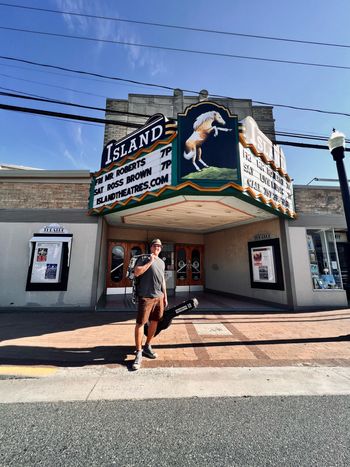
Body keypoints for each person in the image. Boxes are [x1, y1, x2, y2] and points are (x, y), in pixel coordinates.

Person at [132, 238, 168, 370]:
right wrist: (150, 262)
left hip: (159, 297)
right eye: (155, 245)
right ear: (151, 247)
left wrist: (165, 295)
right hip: (146, 296)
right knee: (140, 323)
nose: (157, 247)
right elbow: (136, 272)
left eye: (159, 246)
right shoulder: (144, 258)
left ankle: (147, 346)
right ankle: (139, 352)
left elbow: (162, 279)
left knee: (155, 321)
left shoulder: (162, 262)